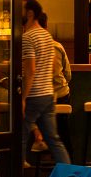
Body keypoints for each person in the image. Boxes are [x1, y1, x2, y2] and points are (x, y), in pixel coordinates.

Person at [21, 0, 71, 165]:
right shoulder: (47, 36)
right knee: (54, 141)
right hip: (48, 95)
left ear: (29, 13)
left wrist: (23, 98)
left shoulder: (28, 37)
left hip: (34, 95)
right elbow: (48, 69)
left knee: (20, 136)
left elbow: (30, 71)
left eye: (20, 9)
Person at [29, 12, 72, 154]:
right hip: (61, 95)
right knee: (62, 134)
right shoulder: (58, 46)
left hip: (40, 97)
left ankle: (31, 152)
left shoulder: (29, 45)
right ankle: (66, 163)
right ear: (46, 26)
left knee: (26, 119)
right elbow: (68, 75)